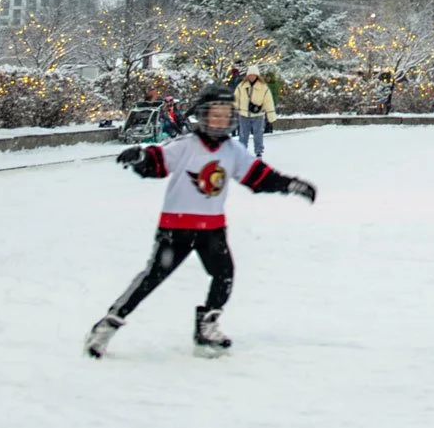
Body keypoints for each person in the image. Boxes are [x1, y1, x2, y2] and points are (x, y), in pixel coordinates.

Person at [84, 84, 317, 359]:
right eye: (213, 114)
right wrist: (141, 158)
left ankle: (207, 327)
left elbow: (258, 176)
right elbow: (157, 161)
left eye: (225, 114)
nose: (219, 120)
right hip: (176, 229)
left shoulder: (233, 151)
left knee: (224, 275)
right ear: (202, 116)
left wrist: (290, 184)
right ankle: (108, 324)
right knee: (152, 278)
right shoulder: (186, 145)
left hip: (212, 230)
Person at [232, 66, 276, 157]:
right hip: (243, 114)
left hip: (258, 114)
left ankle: (258, 152)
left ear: (257, 75)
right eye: (250, 75)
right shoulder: (241, 86)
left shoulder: (263, 87)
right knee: (243, 135)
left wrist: (271, 114)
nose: (252, 77)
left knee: (258, 134)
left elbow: (268, 101)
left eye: (254, 75)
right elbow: (235, 99)